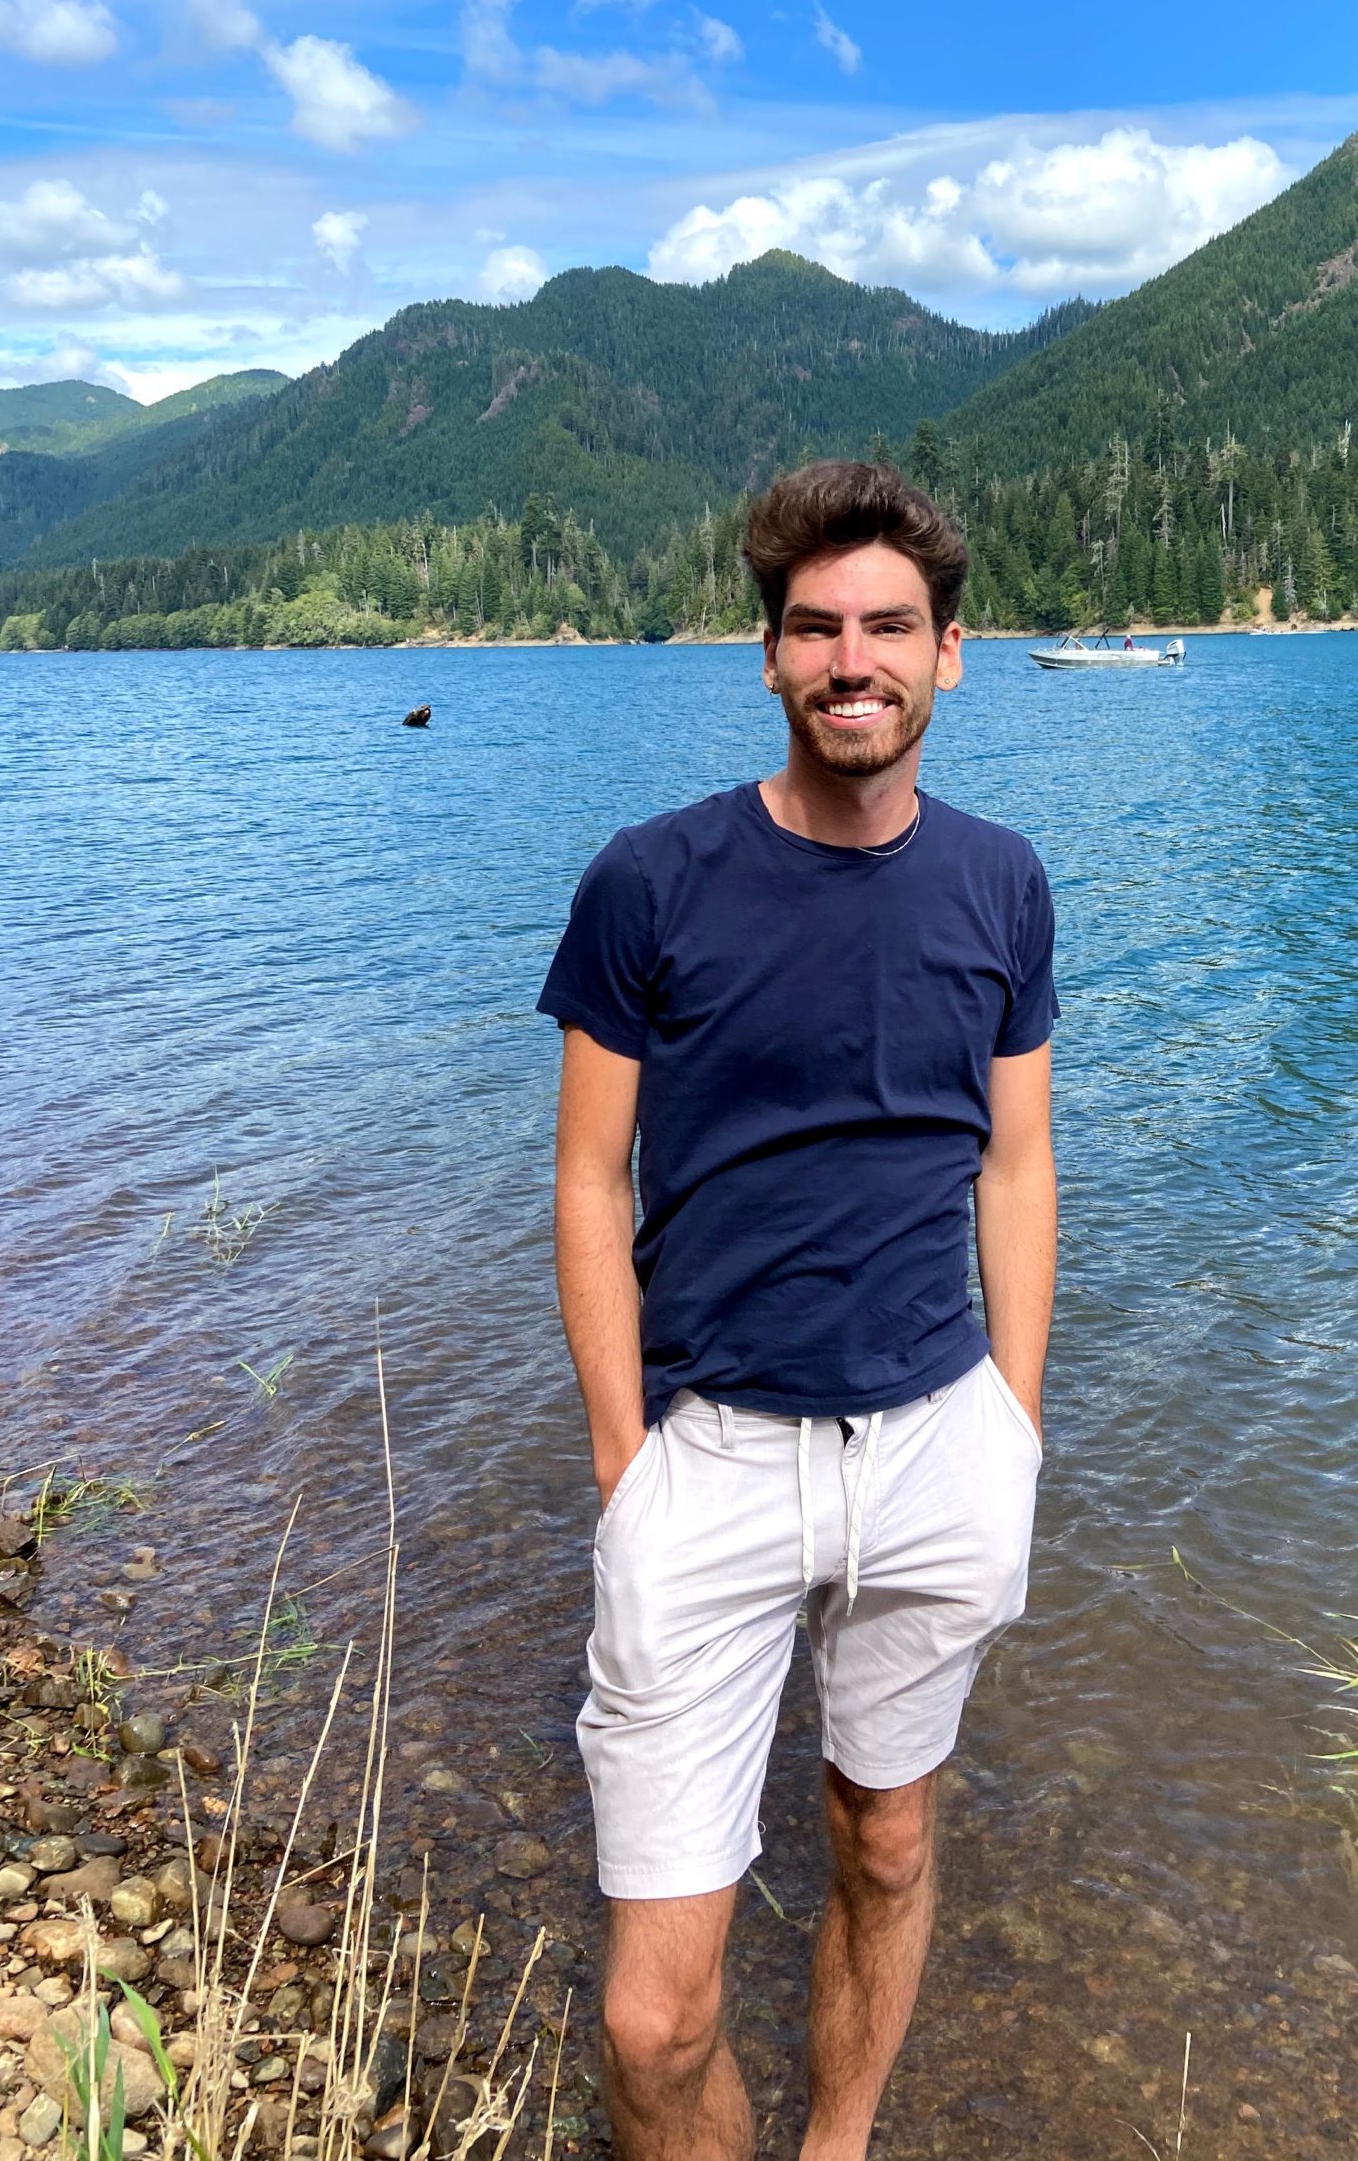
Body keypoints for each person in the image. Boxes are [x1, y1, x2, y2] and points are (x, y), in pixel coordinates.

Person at [539, 459, 1059, 2161]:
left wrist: (1014, 1425)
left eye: (891, 628)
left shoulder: (1003, 885)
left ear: (950, 656)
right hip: (712, 1459)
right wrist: (627, 1461)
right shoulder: (652, 882)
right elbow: (588, 1183)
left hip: (935, 1446)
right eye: (820, 629)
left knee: (887, 1842)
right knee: (653, 2019)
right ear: (768, 656)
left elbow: (1016, 1168)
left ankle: (839, 2146)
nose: (857, 660)